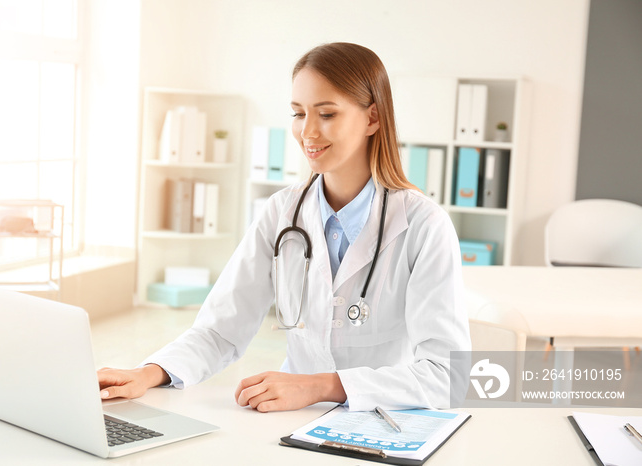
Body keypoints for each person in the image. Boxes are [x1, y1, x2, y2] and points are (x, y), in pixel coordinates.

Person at [98, 42, 470, 413]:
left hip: (388, 420)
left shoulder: (424, 226)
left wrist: (322, 386)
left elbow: (447, 375)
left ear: (372, 118)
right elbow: (221, 329)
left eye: (326, 114)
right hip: (293, 418)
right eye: (297, 113)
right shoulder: (282, 213)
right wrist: (150, 372)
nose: (307, 132)